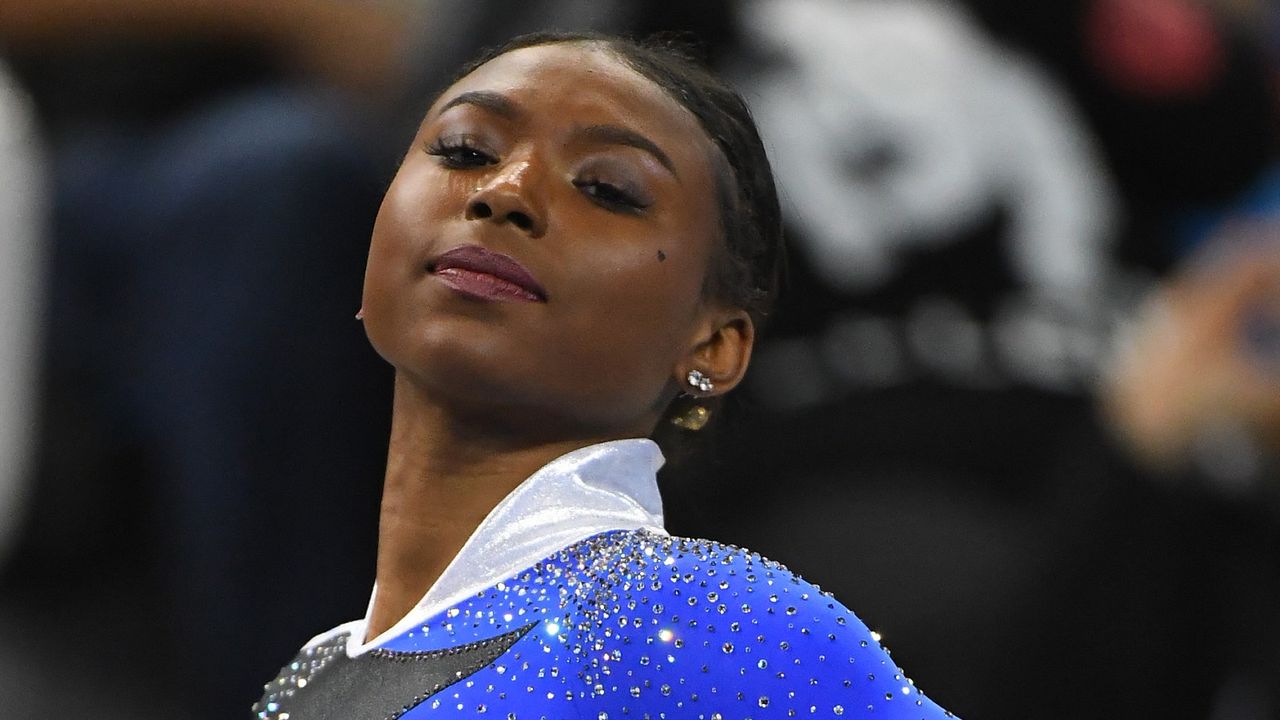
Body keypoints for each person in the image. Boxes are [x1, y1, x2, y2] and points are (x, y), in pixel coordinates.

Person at [254, 31, 957, 719]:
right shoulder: (306, 680)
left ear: (713, 345)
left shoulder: (702, 624)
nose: (506, 191)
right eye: (466, 150)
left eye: (608, 189)